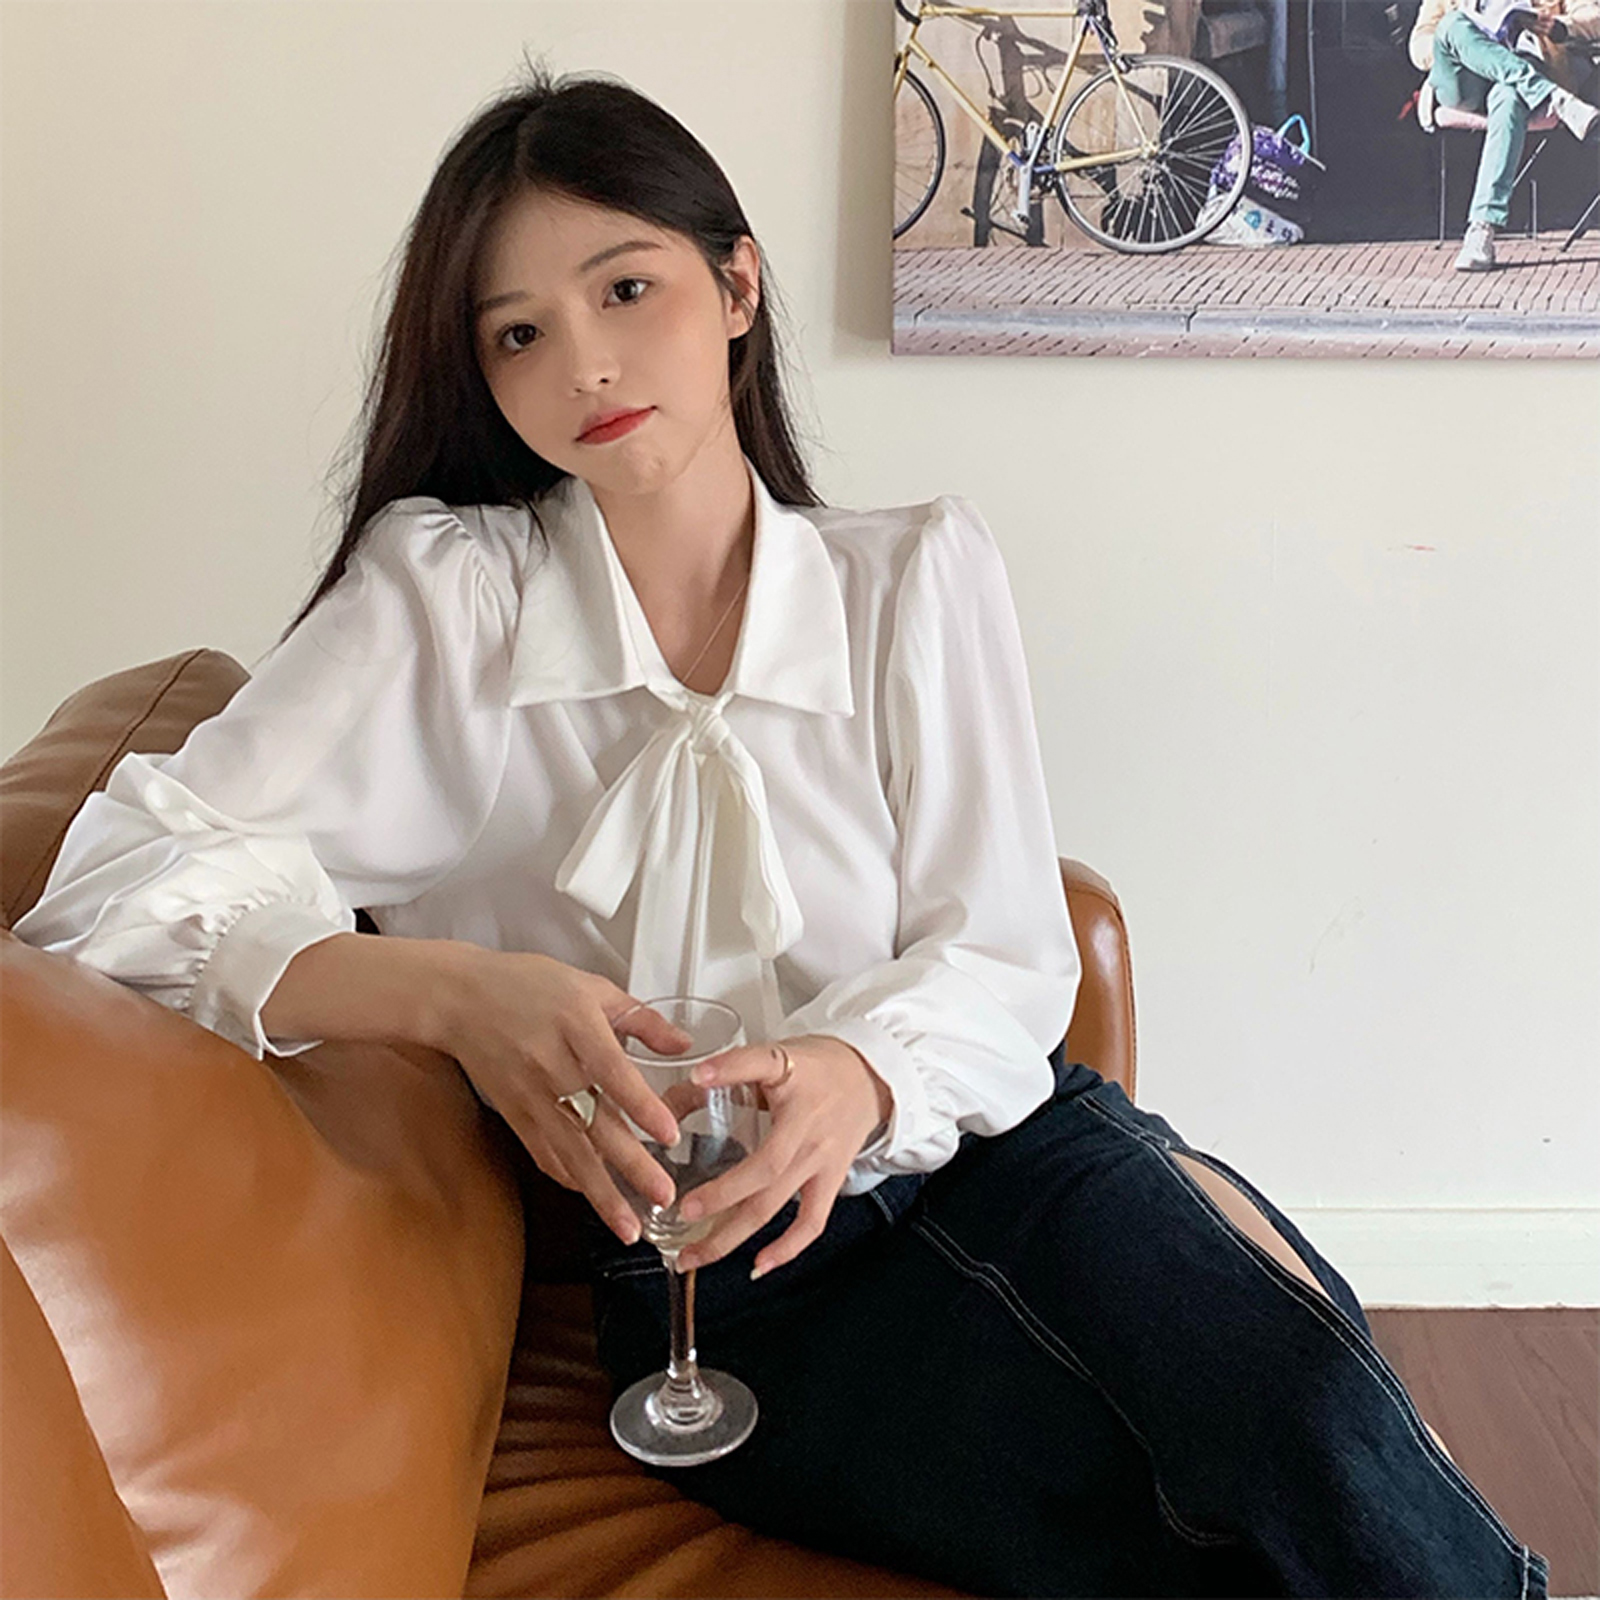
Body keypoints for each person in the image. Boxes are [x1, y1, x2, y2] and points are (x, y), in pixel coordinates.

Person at [11, 58, 1553, 1600]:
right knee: (1192, 1531)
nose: (585, 362)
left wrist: (854, 1073)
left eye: (628, 288)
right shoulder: (447, 600)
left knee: (1300, 1403)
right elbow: (116, 886)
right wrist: (460, 997)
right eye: (519, 333)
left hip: (990, 1156)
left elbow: (1006, 958)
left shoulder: (914, 580)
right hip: (717, 1290)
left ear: (737, 286)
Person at [1412, 0, 1600, 270]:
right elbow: (1418, 43)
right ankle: (1552, 96)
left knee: (1509, 98)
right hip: (1464, 81)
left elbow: (1594, 16)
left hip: (1519, 74)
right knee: (1452, 25)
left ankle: (1482, 228)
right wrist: (1469, 44)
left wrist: (1559, 27)